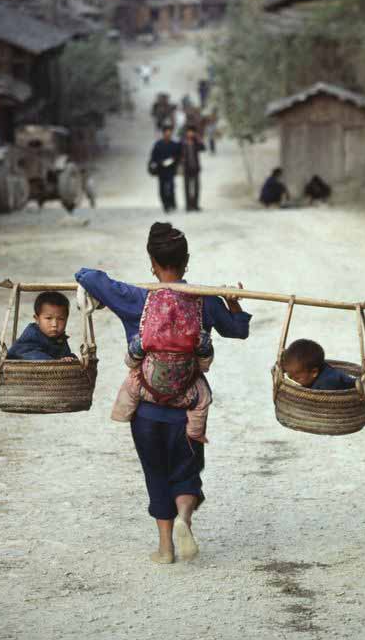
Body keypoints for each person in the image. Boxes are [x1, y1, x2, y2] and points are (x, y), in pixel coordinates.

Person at [75, 222, 251, 564]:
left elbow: (88, 276)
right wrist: (233, 304)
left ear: (152, 264)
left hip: (146, 409)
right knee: (185, 472)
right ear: (186, 263)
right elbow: (239, 331)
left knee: (155, 471)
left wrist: (99, 281)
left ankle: (166, 547)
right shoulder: (205, 301)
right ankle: (185, 518)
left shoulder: (137, 297)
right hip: (189, 409)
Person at [111, 307, 215, 443]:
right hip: (187, 393)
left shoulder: (149, 334)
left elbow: (130, 362)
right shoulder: (197, 335)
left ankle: (122, 414)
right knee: (203, 399)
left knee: (131, 381)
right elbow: (205, 366)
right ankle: (195, 433)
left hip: (146, 390)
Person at [6, 292, 77, 361]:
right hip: (21, 369)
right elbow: (29, 354)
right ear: (37, 319)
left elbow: (65, 354)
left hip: (49, 370)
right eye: (48, 318)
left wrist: (68, 358)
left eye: (61, 319)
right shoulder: (32, 334)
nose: (54, 324)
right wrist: (54, 362)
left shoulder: (60, 338)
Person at [281, 339, 356, 390]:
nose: (293, 380)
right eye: (290, 377)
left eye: (297, 378)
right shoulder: (306, 373)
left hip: (350, 389)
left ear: (314, 372)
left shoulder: (327, 383)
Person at [148, 123, 182, 213]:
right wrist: (157, 163)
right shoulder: (158, 144)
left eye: (169, 132)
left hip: (171, 170)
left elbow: (179, 155)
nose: (168, 134)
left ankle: (172, 203)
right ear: (163, 134)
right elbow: (153, 157)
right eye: (166, 132)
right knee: (162, 189)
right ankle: (165, 204)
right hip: (161, 170)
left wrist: (175, 161)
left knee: (171, 187)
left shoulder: (174, 144)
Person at [181, 125, 205, 211]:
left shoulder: (196, 142)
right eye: (189, 131)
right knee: (187, 187)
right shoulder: (183, 142)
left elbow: (203, 148)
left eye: (192, 131)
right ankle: (188, 205)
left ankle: (195, 205)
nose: (190, 133)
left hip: (195, 167)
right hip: (186, 168)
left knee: (196, 187)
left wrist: (198, 139)